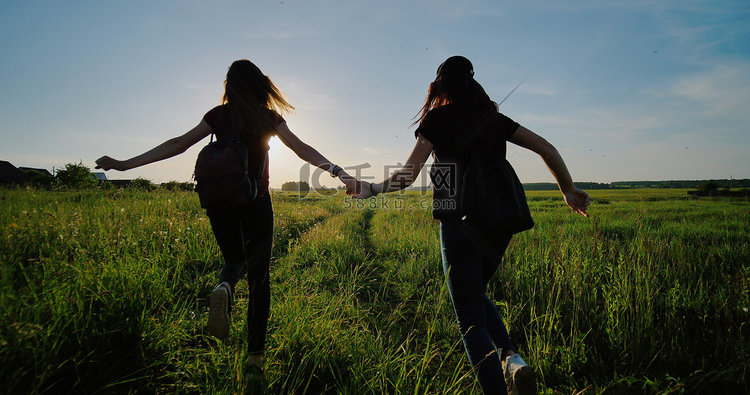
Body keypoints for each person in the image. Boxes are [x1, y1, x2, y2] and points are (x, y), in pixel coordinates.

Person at [95, 59, 356, 382]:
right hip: (256, 202)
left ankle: (224, 285)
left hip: (218, 202)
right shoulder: (267, 117)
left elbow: (177, 144)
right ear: (260, 85)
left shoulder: (218, 116)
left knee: (234, 260)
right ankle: (255, 362)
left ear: (230, 86)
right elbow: (300, 148)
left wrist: (124, 165)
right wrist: (338, 172)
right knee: (260, 279)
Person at [353, 56, 590, 395]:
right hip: (501, 219)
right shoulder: (494, 119)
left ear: (439, 87)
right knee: (475, 293)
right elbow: (547, 148)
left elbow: (408, 175)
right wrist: (567, 190)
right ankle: (511, 358)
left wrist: (373, 187)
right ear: (473, 83)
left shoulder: (436, 120)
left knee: (470, 321)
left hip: (457, 218)